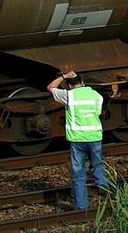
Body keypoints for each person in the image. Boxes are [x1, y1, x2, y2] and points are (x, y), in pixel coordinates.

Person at [47, 70, 108, 211]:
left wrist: (63, 76)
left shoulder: (68, 95)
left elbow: (50, 87)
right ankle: (107, 193)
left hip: (77, 140)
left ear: (68, 86)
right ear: (82, 83)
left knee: (79, 175)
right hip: (95, 137)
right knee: (98, 168)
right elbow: (98, 112)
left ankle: (81, 207)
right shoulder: (96, 95)